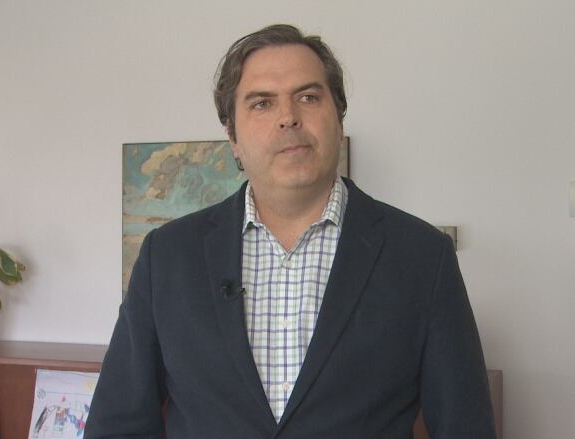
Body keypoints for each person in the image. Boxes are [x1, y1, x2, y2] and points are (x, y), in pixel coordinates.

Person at [85, 24, 496, 438]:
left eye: (308, 97)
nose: (288, 118)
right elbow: (118, 424)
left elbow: (466, 427)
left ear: (339, 116)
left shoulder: (423, 256)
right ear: (233, 137)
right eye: (262, 103)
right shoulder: (167, 256)